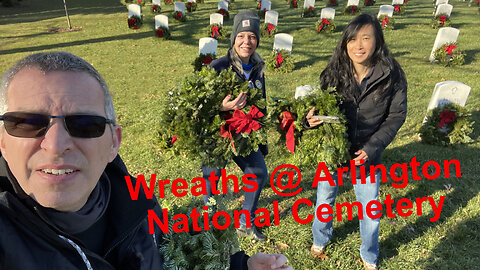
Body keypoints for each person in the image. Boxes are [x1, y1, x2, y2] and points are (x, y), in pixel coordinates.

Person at [0, 52, 292, 270]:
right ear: (2, 140)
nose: (56, 144)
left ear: (114, 141)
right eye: (26, 123)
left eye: (85, 124)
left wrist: (240, 267)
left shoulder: (137, 204)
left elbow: (173, 259)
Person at [306, 14, 407, 270]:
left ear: (377, 41)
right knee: (325, 197)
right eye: (352, 39)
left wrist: (372, 148)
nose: (358, 46)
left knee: (370, 208)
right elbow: (319, 107)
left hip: (367, 153)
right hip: (335, 150)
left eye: (365, 38)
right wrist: (310, 119)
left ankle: (369, 255)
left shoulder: (392, 74)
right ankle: (320, 238)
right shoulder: (333, 72)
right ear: (344, 43)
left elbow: (396, 115)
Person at [202, 10, 269, 242]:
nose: (246, 42)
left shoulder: (258, 68)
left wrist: (262, 140)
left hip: (245, 134)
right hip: (218, 133)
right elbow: (200, 105)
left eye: (252, 36)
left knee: (259, 172)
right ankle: (208, 222)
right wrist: (221, 107)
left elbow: (262, 104)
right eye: (241, 36)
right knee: (212, 177)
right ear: (233, 39)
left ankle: (245, 222)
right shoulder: (218, 66)